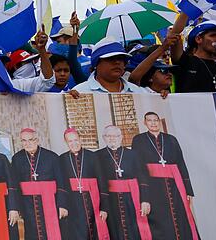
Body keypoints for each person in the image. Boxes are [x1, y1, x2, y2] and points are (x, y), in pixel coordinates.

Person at [131, 112, 198, 240]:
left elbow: (181, 163)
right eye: (150, 120)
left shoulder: (171, 139)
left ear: (159, 122)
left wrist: (188, 189)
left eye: (156, 120)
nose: (153, 123)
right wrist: (143, 192)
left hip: (175, 185)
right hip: (153, 187)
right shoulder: (139, 140)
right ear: (145, 123)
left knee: (181, 215)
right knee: (160, 219)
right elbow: (138, 167)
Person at [11, 128, 67, 240]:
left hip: (52, 202)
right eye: (24, 140)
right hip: (27, 204)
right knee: (31, 232)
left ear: (37, 140)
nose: (27, 143)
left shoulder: (52, 157)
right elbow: (15, 185)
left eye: (30, 140)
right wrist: (17, 207)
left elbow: (61, 182)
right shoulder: (17, 158)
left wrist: (62, 205)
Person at [97, 126, 151, 240]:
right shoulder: (97, 156)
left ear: (121, 137)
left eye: (115, 136)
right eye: (108, 136)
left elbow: (143, 177)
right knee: (114, 230)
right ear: (103, 138)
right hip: (110, 200)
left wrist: (145, 199)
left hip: (132, 198)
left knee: (135, 229)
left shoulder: (133, 154)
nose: (112, 139)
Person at [58, 128, 109, 240]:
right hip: (73, 205)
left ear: (80, 139)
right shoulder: (62, 159)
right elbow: (61, 185)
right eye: (70, 141)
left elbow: (102, 182)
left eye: (76, 140)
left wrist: (104, 208)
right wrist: (63, 205)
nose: (74, 143)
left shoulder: (93, 156)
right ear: (66, 142)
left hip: (93, 203)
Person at [171, 21, 216, 92]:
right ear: (198, 39)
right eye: (213, 35)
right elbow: (174, 34)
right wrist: (188, 11)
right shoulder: (186, 61)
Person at [73, 37, 145, 93]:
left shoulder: (138, 92)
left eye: (120, 58)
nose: (117, 62)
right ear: (96, 64)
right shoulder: (80, 92)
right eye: (110, 58)